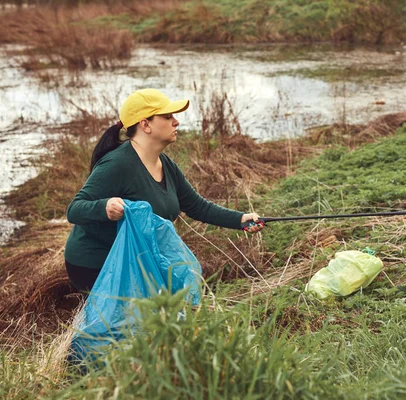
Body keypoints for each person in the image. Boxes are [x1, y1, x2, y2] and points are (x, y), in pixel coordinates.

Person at [64, 88, 263, 292]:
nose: (176, 122)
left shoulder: (165, 164)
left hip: (134, 257)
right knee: (147, 318)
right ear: (145, 125)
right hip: (97, 264)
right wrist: (104, 207)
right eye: (168, 117)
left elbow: (197, 206)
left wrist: (240, 219)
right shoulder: (117, 165)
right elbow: (75, 209)